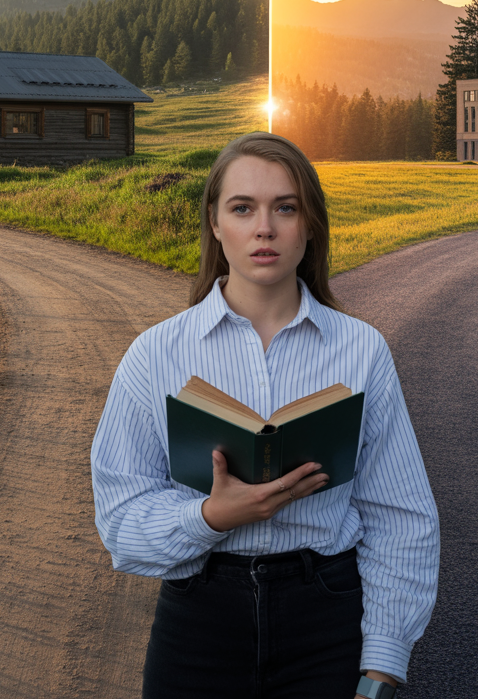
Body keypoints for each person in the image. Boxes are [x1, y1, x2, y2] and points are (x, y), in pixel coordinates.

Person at [91, 132, 440, 699]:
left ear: (310, 225)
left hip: (325, 619)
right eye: (242, 208)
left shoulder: (361, 350)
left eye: (286, 207)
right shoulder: (155, 355)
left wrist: (382, 661)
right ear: (214, 222)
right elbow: (121, 525)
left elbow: (400, 514)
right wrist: (210, 516)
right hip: (197, 625)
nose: (264, 228)